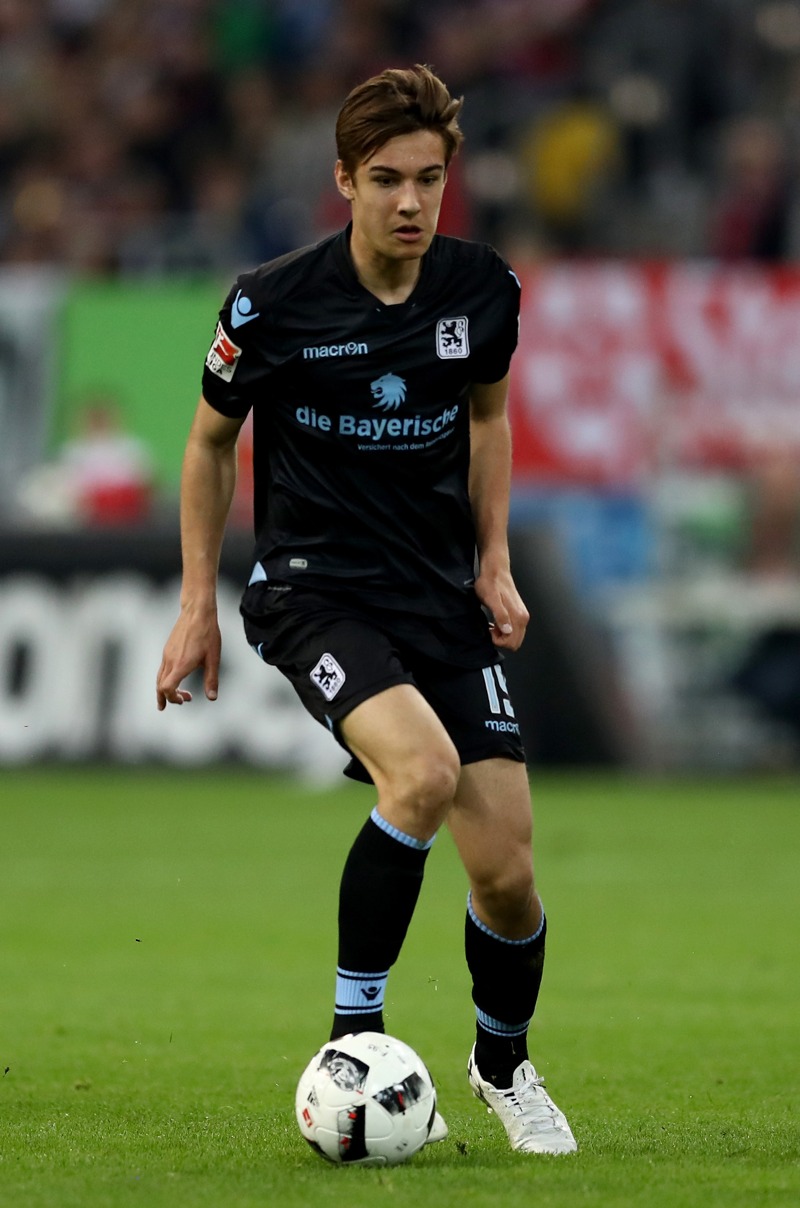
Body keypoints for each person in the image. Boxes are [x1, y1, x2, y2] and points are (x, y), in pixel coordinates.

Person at [156, 64, 576, 1157]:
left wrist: (493, 559)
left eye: (428, 179)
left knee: (509, 871)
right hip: (314, 588)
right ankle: (355, 1038)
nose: (408, 202)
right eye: (385, 179)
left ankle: (501, 1063)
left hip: (435, 592)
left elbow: (488, 421)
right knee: (421, 774)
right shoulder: (271, 301)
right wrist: (197, 601)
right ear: (341, 179)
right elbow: (208, 444)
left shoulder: (481, 290)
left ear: (449, 181)